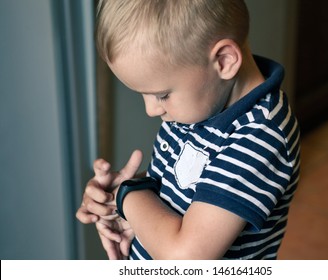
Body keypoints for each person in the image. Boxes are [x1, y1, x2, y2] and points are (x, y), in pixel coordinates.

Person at [76, 0, 300, 260]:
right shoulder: (201, 105)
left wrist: (126, 195)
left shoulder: (260, 135)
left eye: (161, 94)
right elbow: (189, 185)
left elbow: (184, 259)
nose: (151, 110)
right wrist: (118, 197)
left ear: (224, 61)